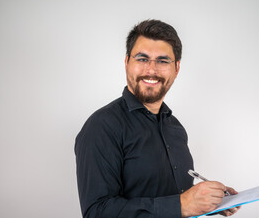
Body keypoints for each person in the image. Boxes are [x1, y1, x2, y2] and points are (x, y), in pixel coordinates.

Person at [75, 19, 240, 218]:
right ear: (127, 63)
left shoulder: (176, 128)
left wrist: (206, 201)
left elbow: (173, 198)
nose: (151, 70)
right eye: (142, 59)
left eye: (162, 61)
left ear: (176, 68)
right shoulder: (102, 127)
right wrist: (182, 204)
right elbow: (96, 212)